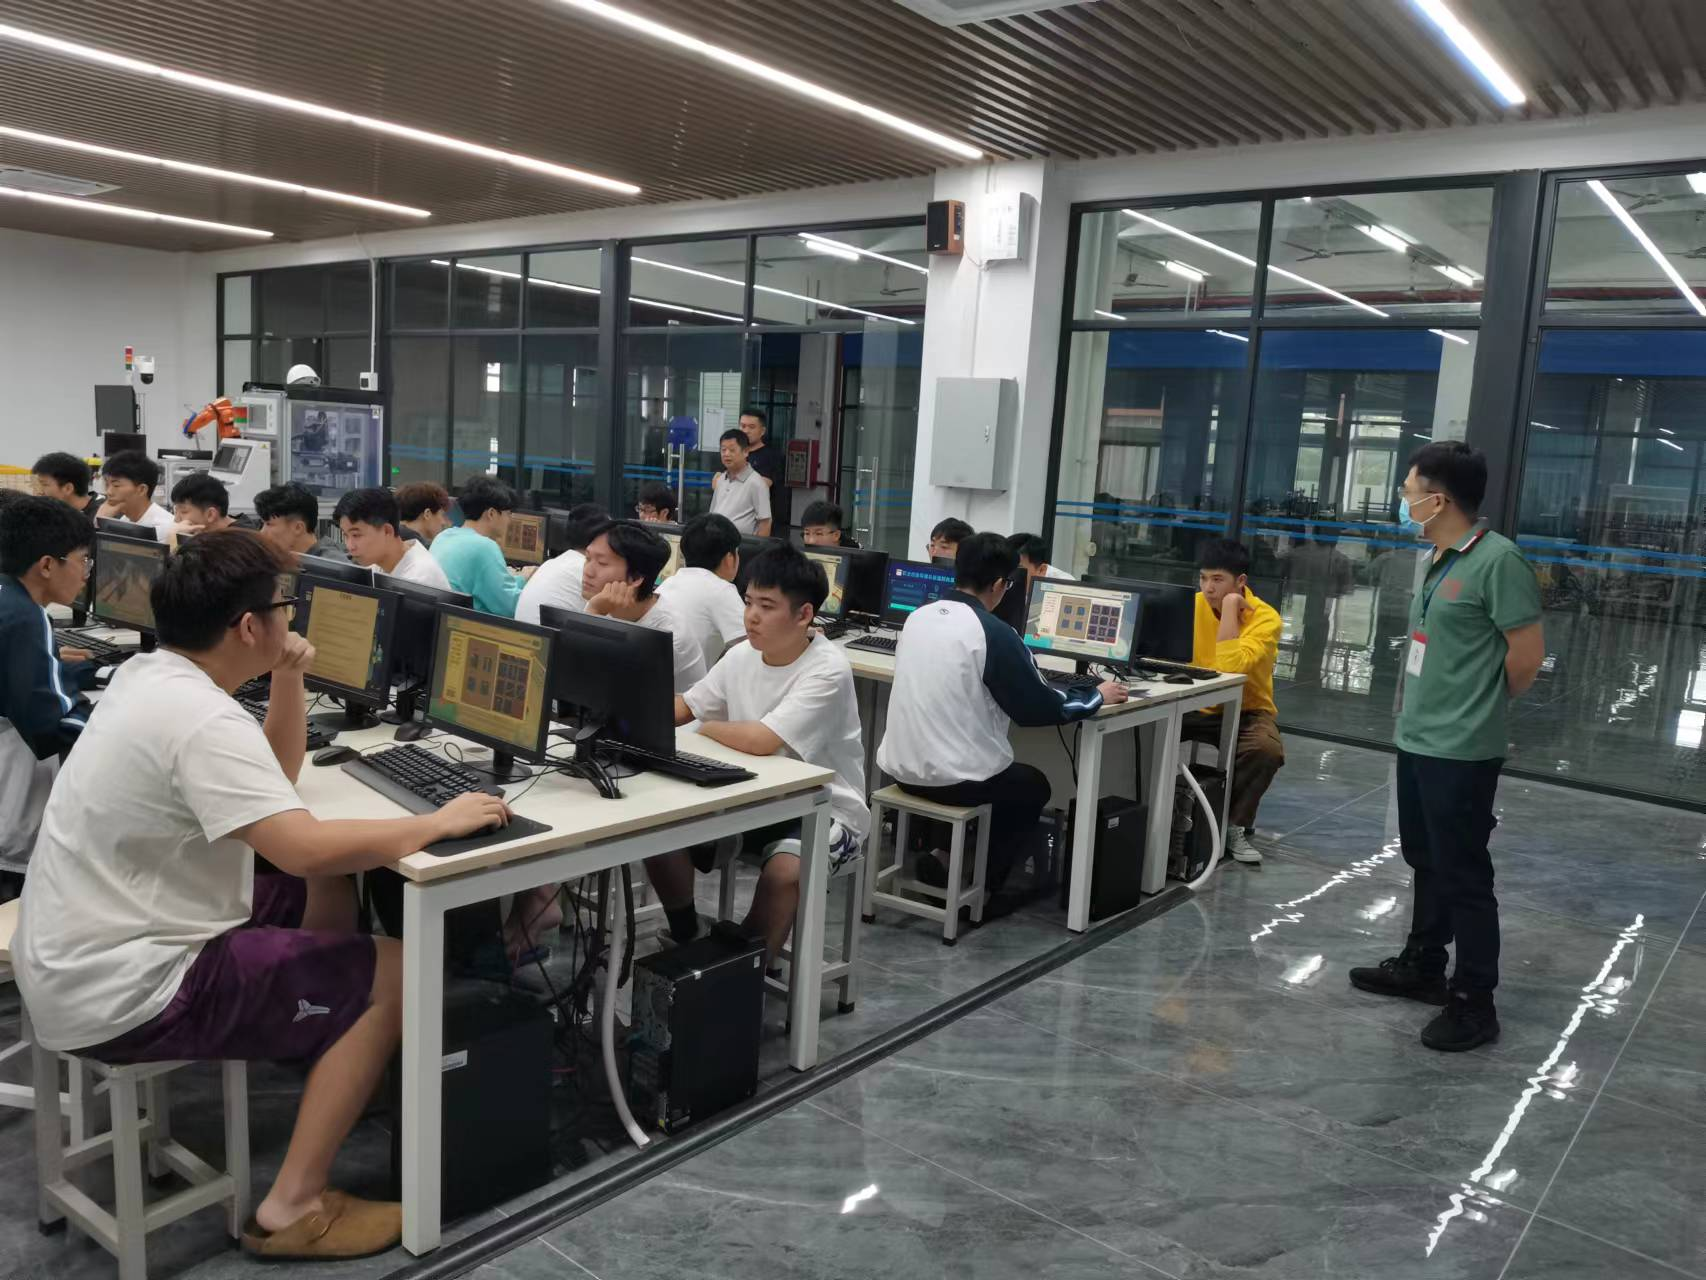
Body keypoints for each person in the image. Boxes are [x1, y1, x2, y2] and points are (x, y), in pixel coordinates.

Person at [11, 531, 510, 1259]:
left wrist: (288, 677)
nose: (292, 619)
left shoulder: (153, 676)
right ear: (249, 626)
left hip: (81, 946)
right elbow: (297, 844)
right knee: (402, 969)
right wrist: (436, 821)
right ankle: (292, 1205)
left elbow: (274, 781)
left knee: (325, 886)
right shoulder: (200, 718)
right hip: (127, 988)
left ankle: (321, 1036)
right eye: (286, 608)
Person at [1349, 442, 1544, 1054]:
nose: (1403, 500)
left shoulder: (1499, 561)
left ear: (1439, 499)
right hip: (1418, 737)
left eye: (1408, 491)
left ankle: (1474, 1000)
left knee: (1463, 873)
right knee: (1424, 858)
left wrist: (1475, 707)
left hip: (1461, 748)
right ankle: (1424, 963)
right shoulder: (1439, 556)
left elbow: (1527, 657)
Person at [878, 532, 1126, 909]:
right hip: (955, 782)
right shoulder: (993, 633)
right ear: (998, 585)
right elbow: (1037, 707)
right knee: (1032, 786)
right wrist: (1096, 696)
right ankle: (987, 889)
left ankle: (945, 857)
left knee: (988, 771)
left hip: (900, 769)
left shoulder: (917, 617)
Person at [652, 545, 868, 957]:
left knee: (785, 872)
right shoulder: (742, 655)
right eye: (748, 602)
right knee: (655, 829)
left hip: (823, 808)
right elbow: (686, 707)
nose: (751, 615)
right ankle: (688, 935)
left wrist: (708, 727)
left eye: (766, 606)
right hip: (749, 798)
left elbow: (764, 740)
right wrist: (631, 708)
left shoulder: (828, 668)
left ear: (803, 615)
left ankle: (742, 967)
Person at [0, 498, 94, 882]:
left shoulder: (8, 597)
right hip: (11, 811)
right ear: (47, 565)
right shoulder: (25, 616)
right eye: (83, 560)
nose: (86, 574)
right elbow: (53, 725)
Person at [1179, 538, 1284, 866]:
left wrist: (1228, 610)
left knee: (1266, 750)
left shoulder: (1265, 618)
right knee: (1135, 727)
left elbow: (1230, 667)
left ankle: (1232, 825)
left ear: (1240, 581)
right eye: (1203, 578)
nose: (1208, 588)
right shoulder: (1190, 605)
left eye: (1217, 579)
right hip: (1192, 701)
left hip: (1246, 710)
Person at [579, 520, 704, 692]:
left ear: (636, 578)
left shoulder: (668, 635)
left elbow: (603, 687)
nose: (587, 571)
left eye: (602, 563)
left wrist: (593, 613)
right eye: (587, 558)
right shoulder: (603, 602)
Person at [429, 476, 533, 617]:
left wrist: (521, 579)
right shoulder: (483, 547)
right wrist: (530, 581)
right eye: (509, 514)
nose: (510, 520)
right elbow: (511, 607)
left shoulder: (444, 536)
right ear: (491, 514)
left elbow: (492, 589)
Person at [657, 514, 747, 673]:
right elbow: (752, 647)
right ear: (729, 558)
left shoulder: (669, 583)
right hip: (693, 685)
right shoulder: (722, 590)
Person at [333, 487, 451, 589]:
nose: (350, 546)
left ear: (387, 531)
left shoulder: (419, 579)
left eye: (356, 535)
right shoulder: (378, 564)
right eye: (345, 535)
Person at [515, 503, 606, 625]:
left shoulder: (550, 563)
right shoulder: (587, 570)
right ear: (599, 538)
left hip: (524, 634)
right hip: (545, 636)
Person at [255, 482, 349, 562]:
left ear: (298, 528)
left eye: (269, 524)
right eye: (263, 524)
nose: (262, 532)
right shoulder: (283, 560)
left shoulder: (333, 567)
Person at [97, 450, 175, 539]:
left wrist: (102, 524)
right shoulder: (125, 520)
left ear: (141, 490)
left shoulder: (164, 528)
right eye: (107, 484)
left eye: (116, 485)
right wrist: (101, 522)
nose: (108, 492)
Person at [709, 428, 772, 537]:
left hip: (742, 544)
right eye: (723, 450)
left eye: (732, 450)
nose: (726, 454)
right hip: (716, 541)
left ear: (746, 452)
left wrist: (758, 547)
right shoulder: (721, 479)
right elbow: (712, 513)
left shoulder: (757, 483)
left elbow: (765, 523)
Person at [739, 408, 788, 531]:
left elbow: (761, 485)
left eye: (751, 427)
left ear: (762, 431)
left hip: (761, 523)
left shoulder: (772, 456)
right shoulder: (735, 454)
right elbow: (718, 482)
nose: (746, 431)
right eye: (743, 426)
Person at [171, 472, 249, 532]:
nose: (176, 520)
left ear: (210, 514)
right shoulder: (216, 534)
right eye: (175, 511)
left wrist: (174, 537)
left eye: (183, 512)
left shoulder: (238, 541)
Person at [31, 452, 102, 514]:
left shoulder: (100, 515)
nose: (39, 492)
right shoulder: (59, 511)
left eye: (44, 484)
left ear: (68, 488)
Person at [1007, 532, 1073, 581]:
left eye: (1017, 570)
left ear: (1041, 570)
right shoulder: (1003, 582)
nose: (1008, 576)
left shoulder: (1065, 585)